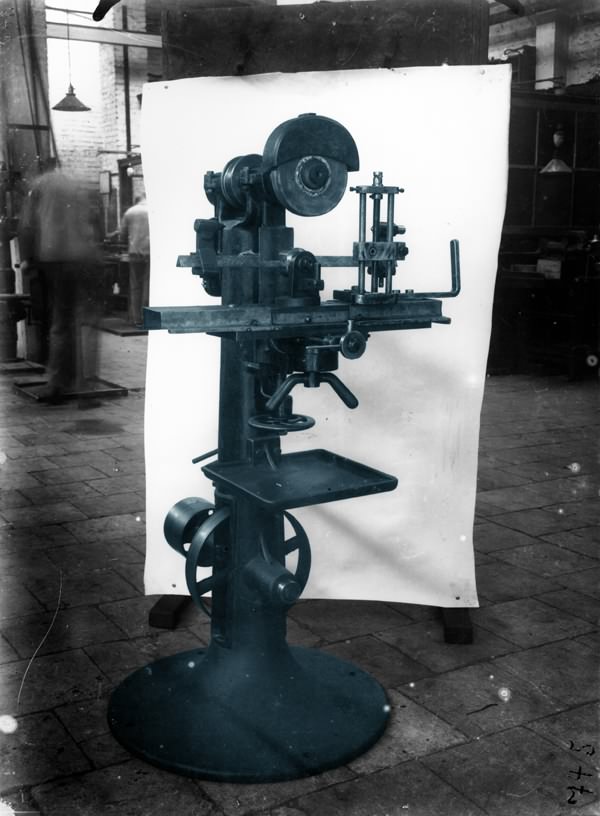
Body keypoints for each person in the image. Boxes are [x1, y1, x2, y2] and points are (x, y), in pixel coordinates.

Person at [18, 158, 102, 402]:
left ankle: (57, 383)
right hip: (85, 256)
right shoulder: (73, 183)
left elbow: (27, 225)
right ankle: (86, 386)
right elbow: (92, 219)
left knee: (60, 321)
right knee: (86, 321)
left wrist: (26, 259)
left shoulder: (38, 185)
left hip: (55, 256)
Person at [119, 195, 150, 327]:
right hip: (151, 253)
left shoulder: (130, 212)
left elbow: (122, 235)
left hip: (135, 253)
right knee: (148, 285)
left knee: (136, 286)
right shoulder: (152, 211)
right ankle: (147, 317)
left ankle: (136, 318)